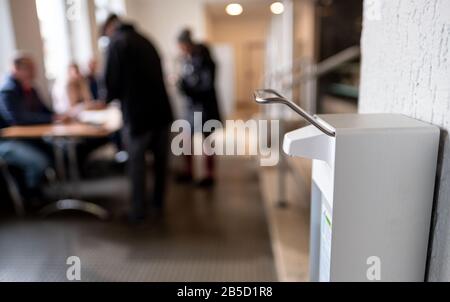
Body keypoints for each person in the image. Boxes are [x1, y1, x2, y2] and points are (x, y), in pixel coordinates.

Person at [102, 14, 174, 223]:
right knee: (160, 163)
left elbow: (111, 82)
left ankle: (137, 211)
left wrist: (104, 100)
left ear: (110, 28)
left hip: (138, 116)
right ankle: (158, 203)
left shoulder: (117, 43)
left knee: (137, 164)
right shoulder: (146, 40)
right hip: (161, 112)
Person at [0, 52, 59, 201]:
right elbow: (17, 119)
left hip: (27, 138)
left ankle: (42, 189)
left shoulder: (30, 88)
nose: (34, 72)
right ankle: (31, 196)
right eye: (29, 68)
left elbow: (45, 111)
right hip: (7, 141)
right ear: (16, 69)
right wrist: (50, 118)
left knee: (56, 151)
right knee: (38, 161)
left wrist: (56, 116)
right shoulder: (7, 90)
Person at [176, 28, 222, 187]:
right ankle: (188, 171)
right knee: (185, 139)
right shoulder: (187, 60)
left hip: (205, 107)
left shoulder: (205, 60)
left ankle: (209, 175)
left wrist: (184, 86)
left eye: (181, 46)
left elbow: (205, 86)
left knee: (207, 141)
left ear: (187, 44)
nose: (181, 50)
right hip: (192, 107)